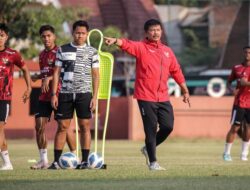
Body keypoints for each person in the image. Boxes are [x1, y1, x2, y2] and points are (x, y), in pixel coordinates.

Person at [104, 19, 190, 170]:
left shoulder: (167, 51)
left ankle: (147, 148)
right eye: (152, 30)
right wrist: (115, 41)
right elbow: (128, 44)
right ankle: (153, 162)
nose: (155, 32)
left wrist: (184, 89)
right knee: (150, 129)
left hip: (163, 96)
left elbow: (176, 70)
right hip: (145, 96)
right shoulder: (141, 47)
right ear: (147, 33)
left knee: (168, 126)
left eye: (158, 29)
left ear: (161, 31)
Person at [49, 20, 99, 169]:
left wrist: (95, 97)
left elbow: (96, 75)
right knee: (62, 126)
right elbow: (56, 73)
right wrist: (54, 94)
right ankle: (56, 162)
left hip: (84, 94)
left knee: (85, 126)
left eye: (83, 33)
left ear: (87, 34)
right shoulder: (62, 50)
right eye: (77, 33)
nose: (80, 36)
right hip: (65, 93)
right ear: (73, 33)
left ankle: (84, 161)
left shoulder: (93, 52)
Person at [30, 25, 76, 169]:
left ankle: (75, 156)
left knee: (65, 127)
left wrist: (49, 78)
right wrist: (39, 76)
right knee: (39, 126)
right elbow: (46, 72)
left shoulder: (60, 52)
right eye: (43, 36)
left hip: (60, 93)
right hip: (44, 96)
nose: (46, 38)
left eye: (49, 35)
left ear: (54, 37)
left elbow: (64, 72)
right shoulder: (42, 54)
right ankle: (43, 160)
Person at [0, 23, 32, 170]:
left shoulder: (13, 54)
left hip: (3, 98)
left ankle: (7, 163)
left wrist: (29, 87)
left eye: (1, 35)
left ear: (6, 37)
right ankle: (7, 163)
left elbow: (25, 69)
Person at [223, 46, 250, 161]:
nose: (247, 54)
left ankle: (244, 155)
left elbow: (245, 83)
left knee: (248, 128)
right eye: (246, 52)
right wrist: (231, 90)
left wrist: (247, 83)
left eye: (249, 52)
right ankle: (226, 153)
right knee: (235, 127)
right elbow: (229, 82)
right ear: (243, 53)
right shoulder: (237, 68)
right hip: (239, 102)